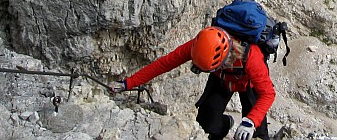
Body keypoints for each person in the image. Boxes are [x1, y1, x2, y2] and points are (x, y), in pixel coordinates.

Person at [109, 26, 275, 140]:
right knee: (206, 125)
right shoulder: (200, 46)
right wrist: (128, 83)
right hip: (222, 79)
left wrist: (250, 121)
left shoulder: (252, 58)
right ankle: (225, 125)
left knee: (256, 135)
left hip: (249, 84)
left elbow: (268, 94)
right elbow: (164, 64)